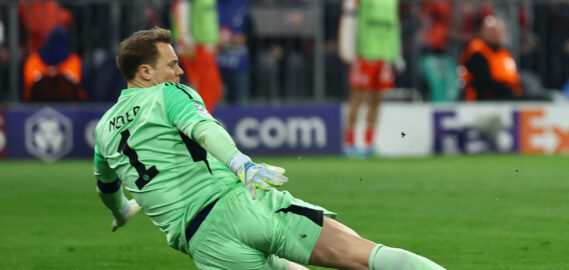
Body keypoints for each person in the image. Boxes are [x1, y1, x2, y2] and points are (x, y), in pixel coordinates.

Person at [94, 27, 444, 270]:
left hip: (206, 246)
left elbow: (106, 188)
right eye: (172, 64)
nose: (180, 70)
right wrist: (242, 165)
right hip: (240, 205)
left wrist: (122, 212)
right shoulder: (168, 94)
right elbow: (204, 130)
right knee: (362, 256)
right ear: (145, 72)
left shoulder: (103, 131)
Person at [338, 0, 403, 157]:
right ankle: (350, 143)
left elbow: (395, 25)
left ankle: (369, 143)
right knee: (357, 98)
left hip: (384, 54)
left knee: (377, 100)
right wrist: (347, 49)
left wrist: (397, 55)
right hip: (364, 53)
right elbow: (349, 20)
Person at [172, 0, 224, 110]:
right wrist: (185, 38)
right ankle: (197, 123)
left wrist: (215, 39)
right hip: (194, 43)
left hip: (207, 42)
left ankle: (201, 123)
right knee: (203, 89)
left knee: (211, 89)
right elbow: (181, 7)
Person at [458, 15, 523, 101]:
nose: (495, 34)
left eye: (498, 31)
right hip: (487, 98)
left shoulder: (504, 52)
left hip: (508, 95)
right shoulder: (477, 52)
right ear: (483, 32)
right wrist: (506, 87)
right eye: (491, 31)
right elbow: (482, 82)